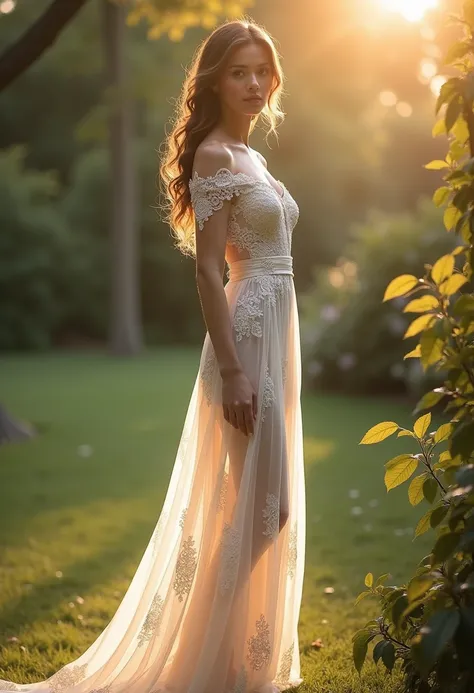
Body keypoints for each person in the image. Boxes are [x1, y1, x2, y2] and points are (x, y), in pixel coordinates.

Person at [0, 17, 305, 693]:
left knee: (259, 504)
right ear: (214, 80)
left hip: (278, 332)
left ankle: (220, 658)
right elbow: (206, 270)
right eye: (238, 71)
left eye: (262, 70)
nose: (254, 83)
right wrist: (230, 369)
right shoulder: (216, 157)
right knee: (265, 507)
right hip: (246, 335)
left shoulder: (255, 157)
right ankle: (198, 655)